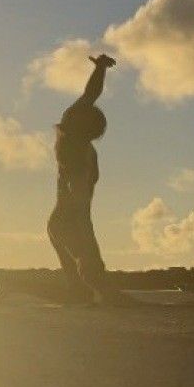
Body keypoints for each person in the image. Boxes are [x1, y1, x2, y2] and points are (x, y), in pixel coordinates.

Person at [46, 53, 132, 305]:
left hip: (59, 221)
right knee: (95, 279)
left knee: (79, 294)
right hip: (70, 221)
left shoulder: (70, 136)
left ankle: (11, 286)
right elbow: (80, 201)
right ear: (90, 129)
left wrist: (100, 69)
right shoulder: (75, 152)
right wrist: (87, 239)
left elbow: (89, 95)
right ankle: (112, 298)